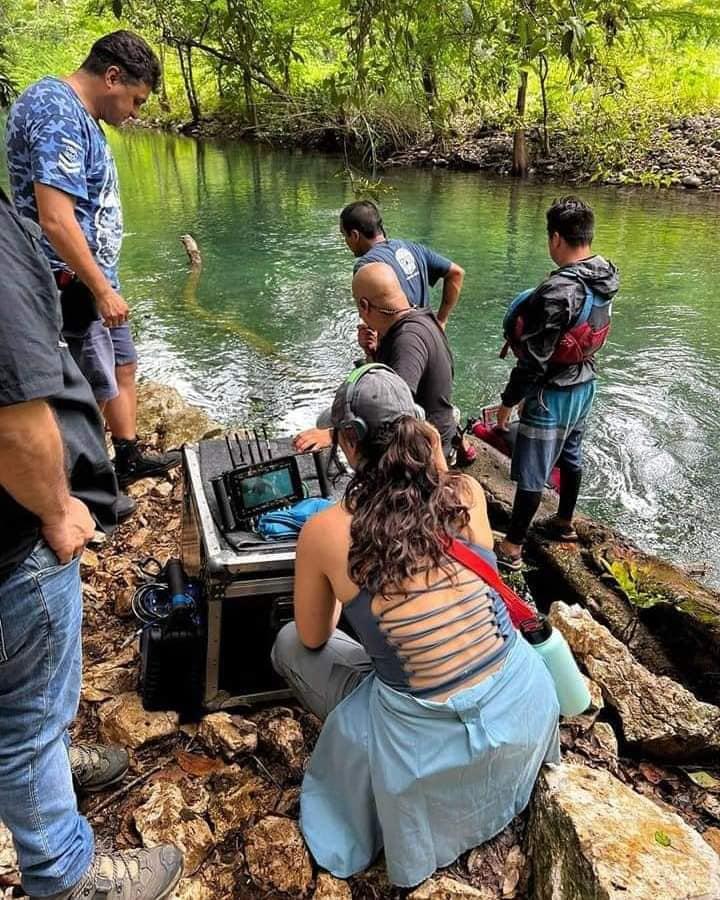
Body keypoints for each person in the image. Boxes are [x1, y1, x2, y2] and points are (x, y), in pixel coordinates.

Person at [272, 365, 559, 888]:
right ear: (419, 429)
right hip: (524, 705)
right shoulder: (467, 492)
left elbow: (314, 639)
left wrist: (343, 596)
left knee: (288, 642)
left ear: (350, 443)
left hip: (420, 742)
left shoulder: (326, 531)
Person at [0, 188, 183, 899]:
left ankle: (40, 761)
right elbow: (14, 416)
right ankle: (67, 875)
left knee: (24, 707)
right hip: (14, 543)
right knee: (28, 712)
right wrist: (57, 511)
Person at [5, 30, 180, 515]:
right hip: (67, 282)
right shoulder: (56, 111)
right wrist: (101, 288)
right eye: (136, 100)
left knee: (122, 361)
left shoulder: (77, 115)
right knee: (73, 390)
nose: (135, 113)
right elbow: (55, 217)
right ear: (112, 76)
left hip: (91, 275)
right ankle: (83, 495)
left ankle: (127, 456)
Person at [494, 196, 619, 571]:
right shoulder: (605, 273)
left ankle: (512, 548)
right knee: (572, 455)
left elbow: (534, 360)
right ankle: (564, 522)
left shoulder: (559, 291)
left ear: (557, 239)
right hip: (586, 383)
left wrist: (508, 401)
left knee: (533, 470)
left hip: (554, 394)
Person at [295, 262, 457, 458]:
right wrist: (372, 352)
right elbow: (386, 386)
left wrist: (334, 435)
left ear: (364, 305)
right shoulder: (420, 316)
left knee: (326, 423)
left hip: (425, 445)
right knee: (330, 418)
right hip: (429, 423)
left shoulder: (408, 340)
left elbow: (394, 412)